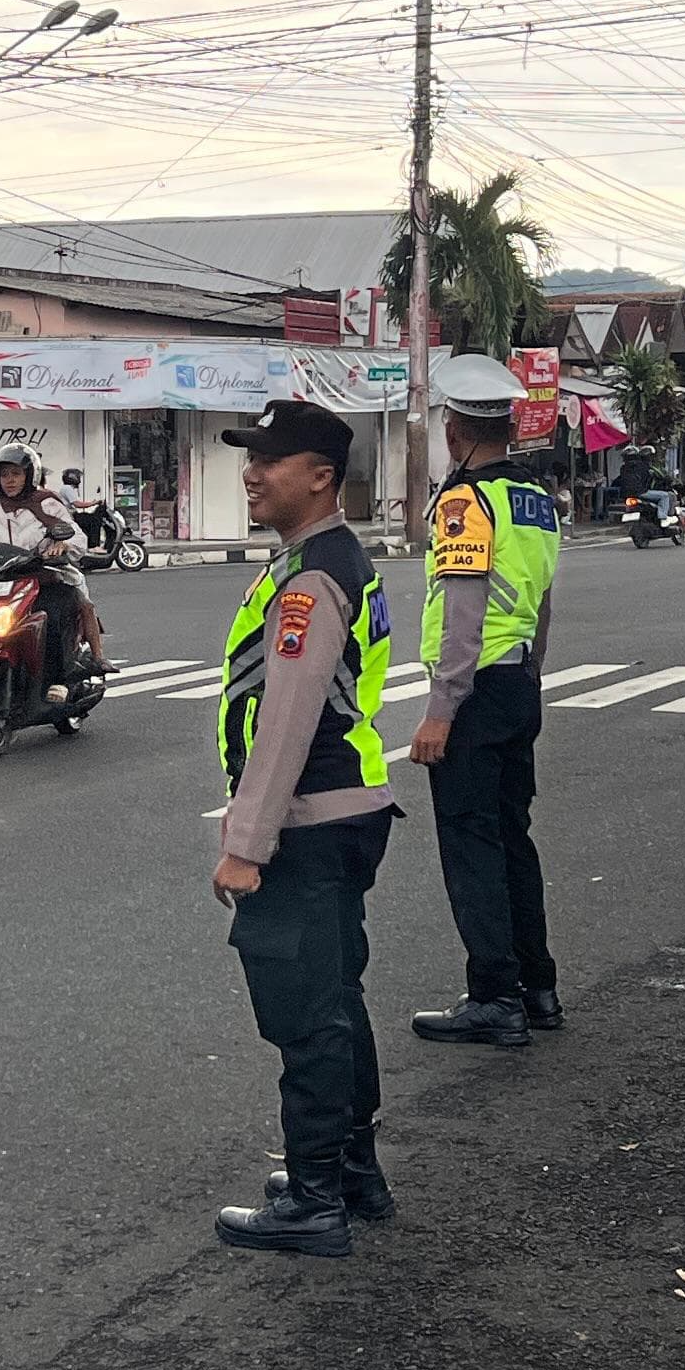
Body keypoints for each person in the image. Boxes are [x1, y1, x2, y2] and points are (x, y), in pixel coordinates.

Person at [205, 397, 399, 1257]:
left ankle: (316, 1200)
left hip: (310, 820)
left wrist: (246, 846)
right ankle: (352, 1173)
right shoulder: (322, 561)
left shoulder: (313, 577)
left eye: (270, 460)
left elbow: (284, 721)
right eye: (250, 457)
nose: (251, 472)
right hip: (345, 809)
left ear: (320, 476)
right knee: (337, 1002)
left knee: (306, 1015)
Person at [408, 353, 566, 1048]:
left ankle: (494, 997)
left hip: (473, 690)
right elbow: (542, 604)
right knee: (511, 840)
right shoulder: (536, 501)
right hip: (518, 684)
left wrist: (442, 708)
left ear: (454, 429)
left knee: (470, 845)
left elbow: (464, 610)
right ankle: (538, 988)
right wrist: (530, 684)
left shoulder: (466, 503)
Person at [0, 440, 111, 678]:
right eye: (4, 475)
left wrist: (62, 545)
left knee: (57, 616)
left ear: (29, 475)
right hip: (5, 581)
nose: (9, 480)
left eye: (16, 474)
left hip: (47, 577)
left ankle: (70, 672)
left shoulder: (47, 502)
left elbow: (78, 538)